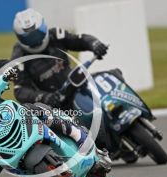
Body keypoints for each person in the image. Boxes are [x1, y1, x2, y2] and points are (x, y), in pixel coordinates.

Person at [11, 8, 124, 151]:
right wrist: (44, 97)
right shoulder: (19, 58)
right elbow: (20, 90)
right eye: (29, 38)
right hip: (56, 102)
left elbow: (78, 40)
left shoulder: (55, 35)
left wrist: (94, 44)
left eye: (37, 34)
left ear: (44, 28)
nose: (35, 40)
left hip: (76, 83)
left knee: (111, 75)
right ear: (20, 38)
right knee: (74, 134)